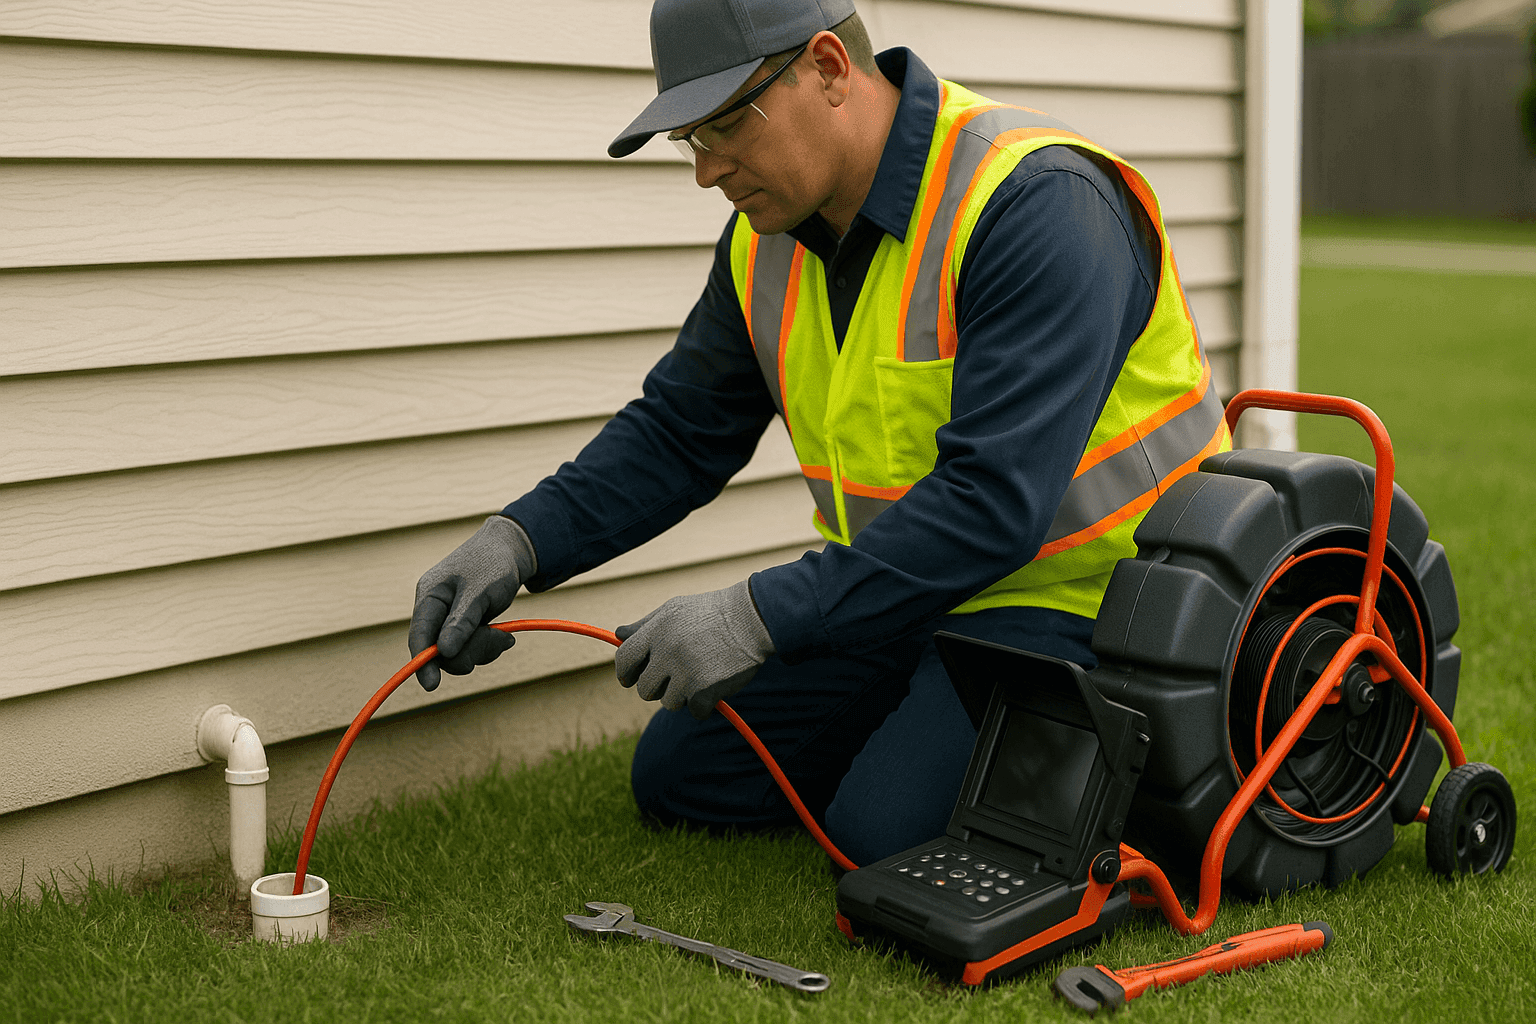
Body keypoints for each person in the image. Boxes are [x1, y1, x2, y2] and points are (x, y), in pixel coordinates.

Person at [408, 0, 1229, 866]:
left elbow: (991, 504)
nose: (707, 170)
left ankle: (1135, 775)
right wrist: (519, 542)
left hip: (1097, 608)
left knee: (882, 835)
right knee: (686, 775)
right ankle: (924, 745)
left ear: (830, 68)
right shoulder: (765, 241)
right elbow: (682, 430)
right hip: (910, 594)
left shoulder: (1037, 205)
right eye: (691, 139)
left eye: (728, 124)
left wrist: (756, 615)